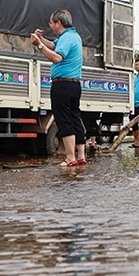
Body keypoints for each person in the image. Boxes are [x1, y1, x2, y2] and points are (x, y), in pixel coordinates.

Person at [32, 9, 87, 167]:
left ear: (58, 23)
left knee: (64, 119)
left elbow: (57, 57)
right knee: (75, 118)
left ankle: (70, 158)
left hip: (62, 84)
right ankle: (81, 156)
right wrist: (41, 39)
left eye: (51, 23)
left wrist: (39, 45)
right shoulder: (73, 36)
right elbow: (54, 45)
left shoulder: (66, 38)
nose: (50, 26)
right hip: (74, 84)